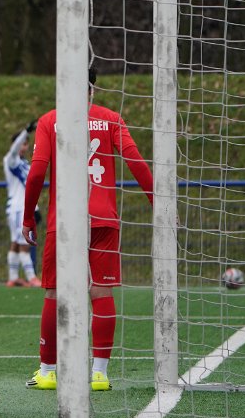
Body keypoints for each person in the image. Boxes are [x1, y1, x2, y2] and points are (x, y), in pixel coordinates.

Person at [22, 68, 153, 392]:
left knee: (55, 292)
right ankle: (99, 374)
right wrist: (157, 201)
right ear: (92, 89)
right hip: (103, 218)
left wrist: (28, 217)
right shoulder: (111, 119)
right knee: (101, 292)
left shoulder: (50, 120)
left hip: (65, 220)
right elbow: (136, 161)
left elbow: (36, 173)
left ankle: (48, 372)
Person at [3, 122, 42, 287]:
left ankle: (13, 278)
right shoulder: (11, 160)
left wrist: (36, 207)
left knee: (15, 243)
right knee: (24, 244)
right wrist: (26, 131)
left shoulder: (24, 163)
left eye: (26, 144)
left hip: (19, 208)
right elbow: (14, 150)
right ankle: (32, 277)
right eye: (21, 143)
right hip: (18, 209)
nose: (23, 147)